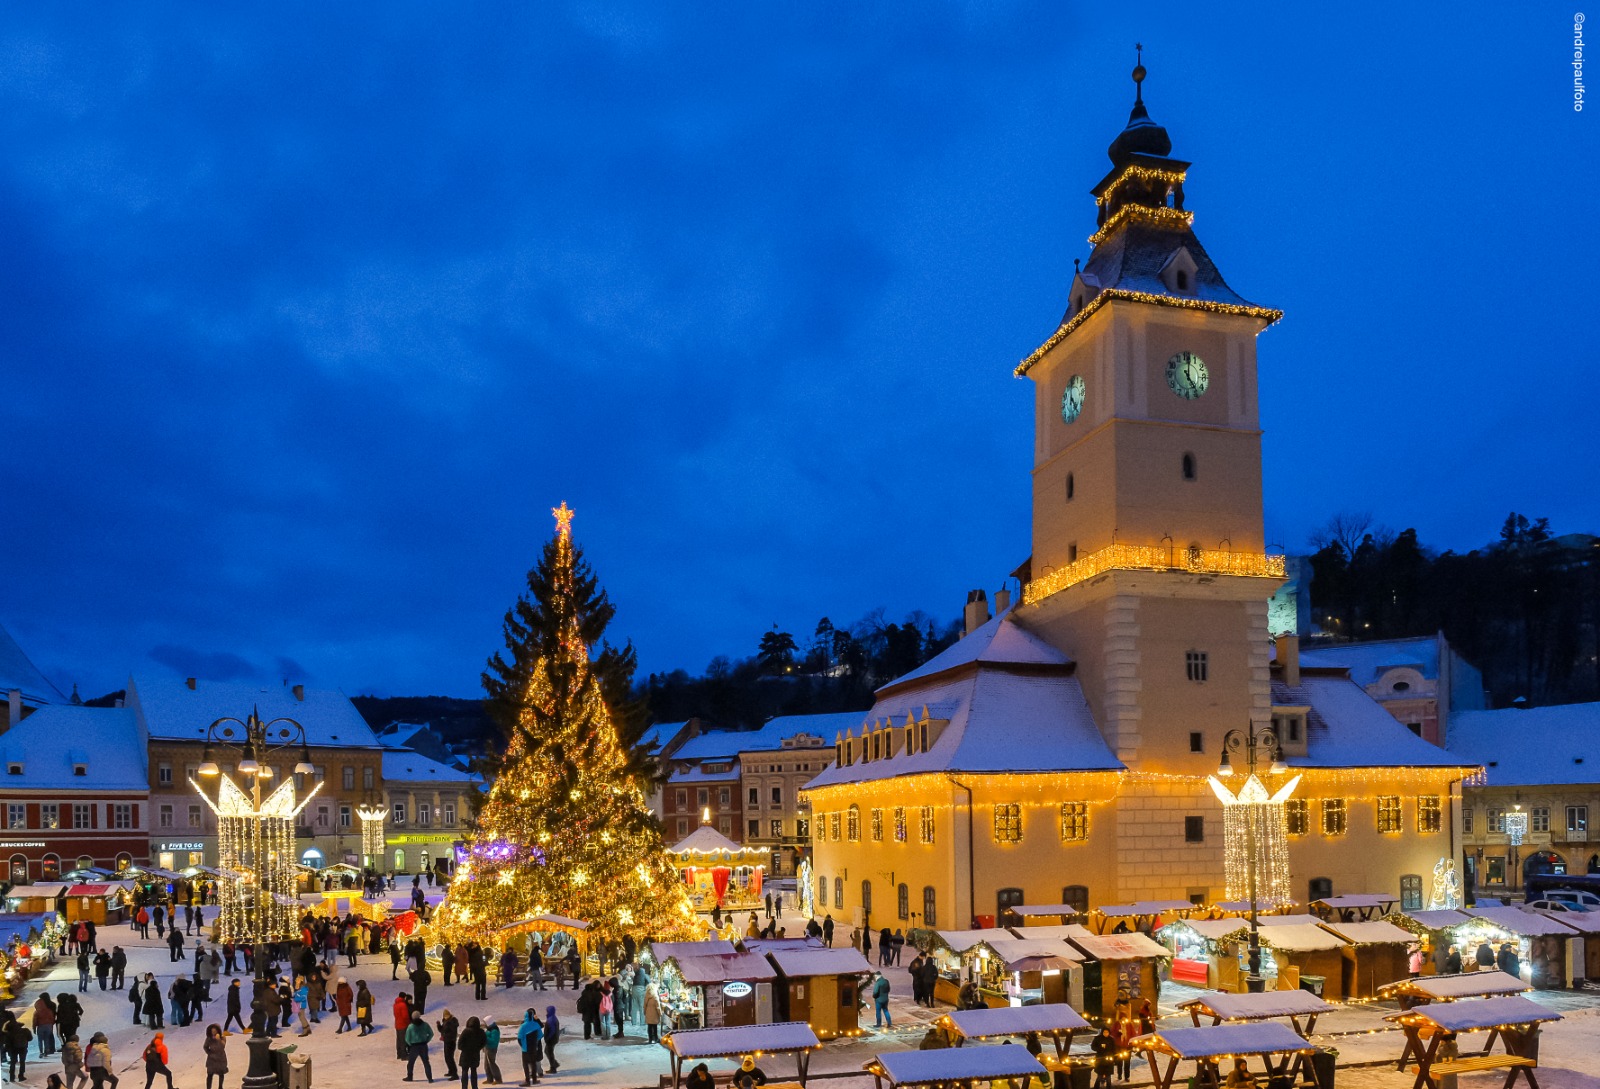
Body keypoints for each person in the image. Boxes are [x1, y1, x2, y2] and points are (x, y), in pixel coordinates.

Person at [404, 1012, 436, 1082]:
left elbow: (407, 1038)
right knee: (426, 1062)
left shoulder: (411, 1026)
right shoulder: (425, 1025)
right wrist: (426, 1040)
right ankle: (430, 1078)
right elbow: (431, 1034)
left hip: (414, 1046)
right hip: (423, 1045)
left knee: (411, 1063)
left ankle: (410, 1077)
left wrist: (410, 1044)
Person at [457, 1016, 486, 1089]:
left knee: (464, 1071)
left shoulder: (466, 1031)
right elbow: (484, 1042)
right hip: (475, 1054)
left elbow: (459, 1044)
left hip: (465, 1055)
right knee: (474, 1071)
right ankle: (475, 1087)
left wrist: (465, 1049)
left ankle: (464, 1087)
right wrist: (478, 1048)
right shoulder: (481, 1032)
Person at [516, 1009, 543, 1086]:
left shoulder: (523, 1026)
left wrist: (523, 1045)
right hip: (534, 1047)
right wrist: (535, 1042)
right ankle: (534, 1079)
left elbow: (519, 1038)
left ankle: (527, 1081)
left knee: (525, 1064)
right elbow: (540, 1035)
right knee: (533, 1063)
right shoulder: (536, 1024)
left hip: (526, 1048)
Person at [437, 1009, 460, 1079]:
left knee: (450, 1058)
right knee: (447, 1057)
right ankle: (451, 1070)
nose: (446, 1017)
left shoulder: (452, 1022)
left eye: (447, 1016)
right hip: (447, 1041)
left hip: (451, 1041)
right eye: (445, 1016)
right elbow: (442, 1030)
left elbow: (449, 1031)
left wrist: (445, 1032)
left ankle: (454, 1073)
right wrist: (438, 1025)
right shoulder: (446, 1021)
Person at [203, 1025, 228, 1089]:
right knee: (210, 1074)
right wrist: (209, 1053)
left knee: (221, 1073)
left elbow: (222, 1046)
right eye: (212, 1031)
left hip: (220, 1058)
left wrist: (219, 1040)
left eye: (215, 1031)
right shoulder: (209, 1038)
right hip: (212, 1059)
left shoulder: (222, 1037)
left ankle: (220, 1087)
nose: (213, 1032)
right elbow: (205, 1047)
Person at [483, 1016, 503, 1085]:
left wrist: (485, 1037)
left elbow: (494, 1041)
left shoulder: (495, 1030)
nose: (484, 1024)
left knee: (492, 1064)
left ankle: (498, 1079)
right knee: (486, 1065)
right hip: (487, 1048)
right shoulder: (489, 1029)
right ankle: (489, 1079)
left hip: (492, 1048)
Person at [542, 1007, 560, 1075]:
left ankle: (553, 1068)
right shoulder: (553, 1017)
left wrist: (548, 1038)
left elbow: (552, 1030)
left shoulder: (551, 1019)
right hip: (554, 1039)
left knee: (549, 1052)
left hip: (551, 1039)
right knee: (548, 1051)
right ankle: (555, 1064)